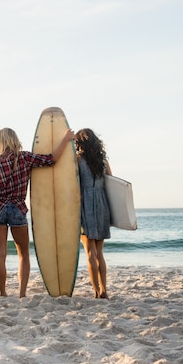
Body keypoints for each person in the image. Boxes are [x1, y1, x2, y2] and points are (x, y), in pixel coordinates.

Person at [0, 127, 74, 298]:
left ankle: (3, 293)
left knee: (0, 254)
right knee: (23, 254)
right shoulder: (25, 158)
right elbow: (51, 160)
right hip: (18, 208)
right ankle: (22, 294)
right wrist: (66, 139)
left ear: (0, 143)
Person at [75, 128, 112, 299]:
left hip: (86, 205)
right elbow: (112, 182)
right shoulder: (103, 161)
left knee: (90, 253)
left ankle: (96, 291)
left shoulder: (78, 160)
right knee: (99, 252)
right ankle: (104, 290)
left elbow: (74, 183)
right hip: (102, 203)